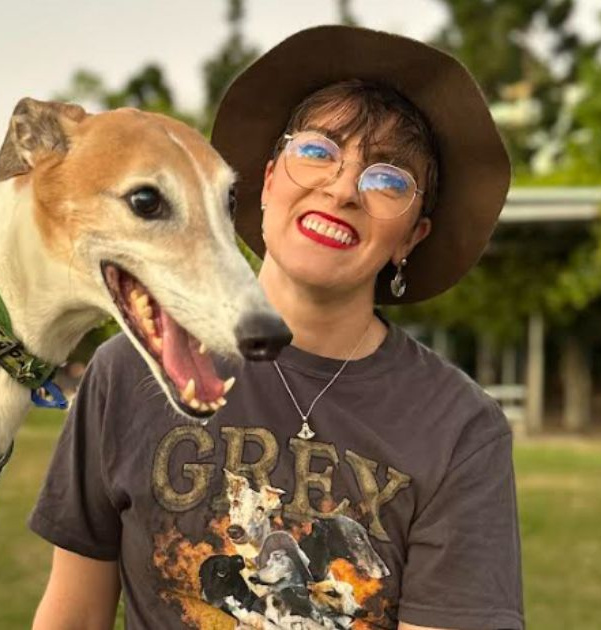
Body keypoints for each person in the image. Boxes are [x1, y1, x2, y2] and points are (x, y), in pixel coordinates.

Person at [29, 25, 523, 630]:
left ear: (412, 237)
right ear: (266, 181)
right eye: (318, 151)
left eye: (387, 180)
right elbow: (72, 615)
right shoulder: (131, 370)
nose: (342, 189)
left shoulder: (458, 428)